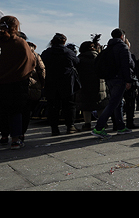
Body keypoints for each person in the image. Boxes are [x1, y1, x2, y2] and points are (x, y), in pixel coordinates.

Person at [91, 28, 136, 138]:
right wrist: (128, 80)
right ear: (122, 36)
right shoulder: (122, 47)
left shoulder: (109, 47)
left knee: (118, 102)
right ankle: (98, 128)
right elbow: (126, 65)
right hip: (119, 79)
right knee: (113, 103)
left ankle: (120, 126)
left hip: (110, 78)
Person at [0, 16, 36, 149]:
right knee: (16, 110)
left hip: (1, 83)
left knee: (2, 110)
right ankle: (16, 138)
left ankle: (3, 136)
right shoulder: (20, 43)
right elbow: (31, 62)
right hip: (17, 82)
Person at [40, 33, 81, 136]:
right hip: (67, 82)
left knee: (53, 106)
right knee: (69, 105)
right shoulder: (69, 52)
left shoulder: (46, 53)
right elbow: (77, 62)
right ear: (64, 42)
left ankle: (54, 128)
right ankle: (70, 126)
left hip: (51, 82)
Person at [75, 40, 108, 131]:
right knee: (100, 104)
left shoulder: (80, 59)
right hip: (99, 83)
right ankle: (102, 122)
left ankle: (87, 123)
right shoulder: (98, 57)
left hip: (84, 84)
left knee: (86, 105)